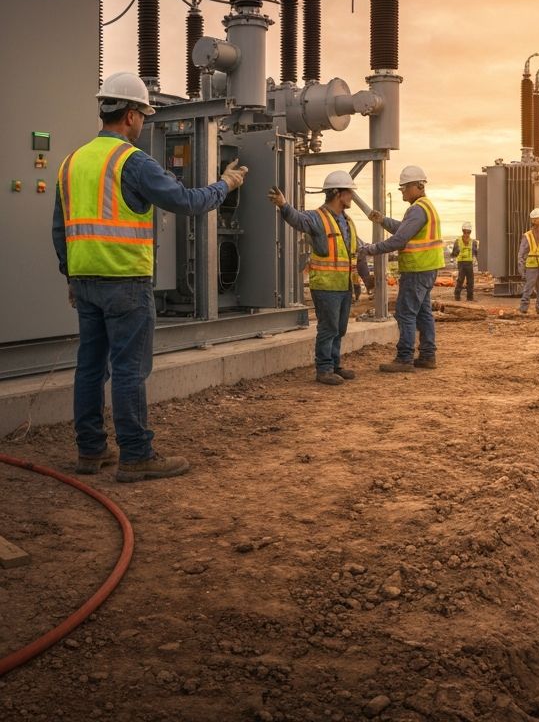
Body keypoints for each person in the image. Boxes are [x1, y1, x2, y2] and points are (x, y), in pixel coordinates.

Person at [53, 71, 247, 482]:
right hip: (125, 280)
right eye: (143, 113)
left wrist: (71, 276)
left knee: (90, 367)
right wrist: (226, 184)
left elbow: (60, 227)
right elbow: (188, 202)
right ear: (130, 115)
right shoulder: (132, 161)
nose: (143, 122)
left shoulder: (72, 162)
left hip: (85, 281)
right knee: (128, 370)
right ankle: (137, 455)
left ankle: (90, 451)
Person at [268, 170, 372, 386]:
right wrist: (284, 205)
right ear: (337, 193)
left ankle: (334, 365)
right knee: (328, 327)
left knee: (340, 328)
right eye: (349, 192)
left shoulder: (348, 221)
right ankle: (324, 368)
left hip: (343, 286)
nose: (352, 196)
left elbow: (354, 253)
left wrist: (357, 282)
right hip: (325, 286)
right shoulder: (317, 218)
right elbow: (297, 220)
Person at [358, 165, 444, 373]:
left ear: (418, 186)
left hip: (417, 270)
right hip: (427, 268)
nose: (403, 191)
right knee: (423, 313)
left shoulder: (417, 209)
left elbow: (399, 239)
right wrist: (382, 220)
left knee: (405, 313)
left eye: (405, 188)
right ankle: (427, 355)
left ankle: (404, 358)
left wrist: (371, 249)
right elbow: (404, 229)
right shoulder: (426, 207)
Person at [451, 223, 478, 301]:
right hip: (461, 263)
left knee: (470, 281)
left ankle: (470, 297)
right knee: (460, 279)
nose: (466, 234)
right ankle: (457, 296)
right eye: (465, 232)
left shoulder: (473, 242)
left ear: (470, 232)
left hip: (469, 263)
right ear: (463, 231)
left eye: (468, 232)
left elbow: (476, 253)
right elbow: (454, 253)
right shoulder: (458, 241)